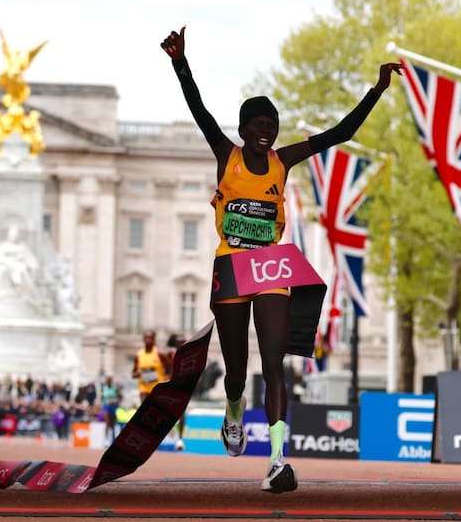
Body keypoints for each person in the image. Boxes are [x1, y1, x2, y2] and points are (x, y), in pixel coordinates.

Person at [161, 26, 401, 493]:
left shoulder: (283, 161)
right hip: (231, 267)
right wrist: (180, 62)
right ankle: (234, 410)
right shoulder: (224, 154)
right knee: (234, 367)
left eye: (273, 126)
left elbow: (341, 133)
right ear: (243, 130)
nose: (267, 132)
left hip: (271, 268)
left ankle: (276, 460)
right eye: (259, 126)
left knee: (274, 362)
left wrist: (377, 90)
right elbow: (198, 109)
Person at [132, 329, 172, 402]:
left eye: (150, 338)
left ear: (154, 340)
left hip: (157, 388)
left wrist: (168, 378)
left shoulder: (160, 354)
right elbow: (133, 374)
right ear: (143, 339)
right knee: (144, 408)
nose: (148, 340)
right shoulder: (138, 355)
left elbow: (170, 367)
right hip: (144, 388)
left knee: (155, 410)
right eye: (146, 338)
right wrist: (136, 374)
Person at [167, 333, 187, 451]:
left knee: (182, 413)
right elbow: (168, 368)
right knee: (170, 410)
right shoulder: (172, 354)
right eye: (180, 342)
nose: (182, 344)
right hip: (173, 384)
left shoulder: (190, 354)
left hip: (184, 386)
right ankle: (171, 429)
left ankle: (180, 439)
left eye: (183, 342)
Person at [100, 376, 121, 444]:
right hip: (106, 406)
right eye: (108, 381)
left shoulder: (114, 388)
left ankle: (113, 438)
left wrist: (114, 401)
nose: (109, 382)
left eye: (110, 381)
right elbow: (102, 398)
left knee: (112, 423)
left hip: (113, 406)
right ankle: (106, 439)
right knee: (107, 422)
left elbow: (119, 397)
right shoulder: (104, 388)